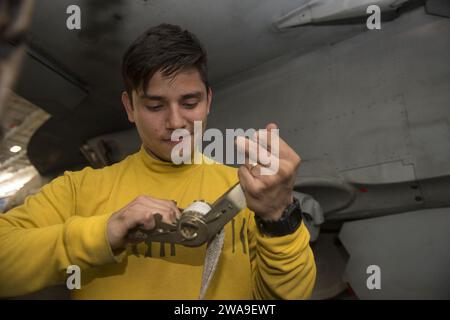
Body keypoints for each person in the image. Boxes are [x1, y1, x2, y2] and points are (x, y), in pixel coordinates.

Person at [0, 24, 316, 299]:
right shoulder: (78, 189)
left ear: (208, 102)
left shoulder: (248, 194)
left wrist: (278, 218)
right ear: (130, 108)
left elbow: (287, 296)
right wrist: (105, 232)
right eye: (154, 106)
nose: (176, 121)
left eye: (190, 102)